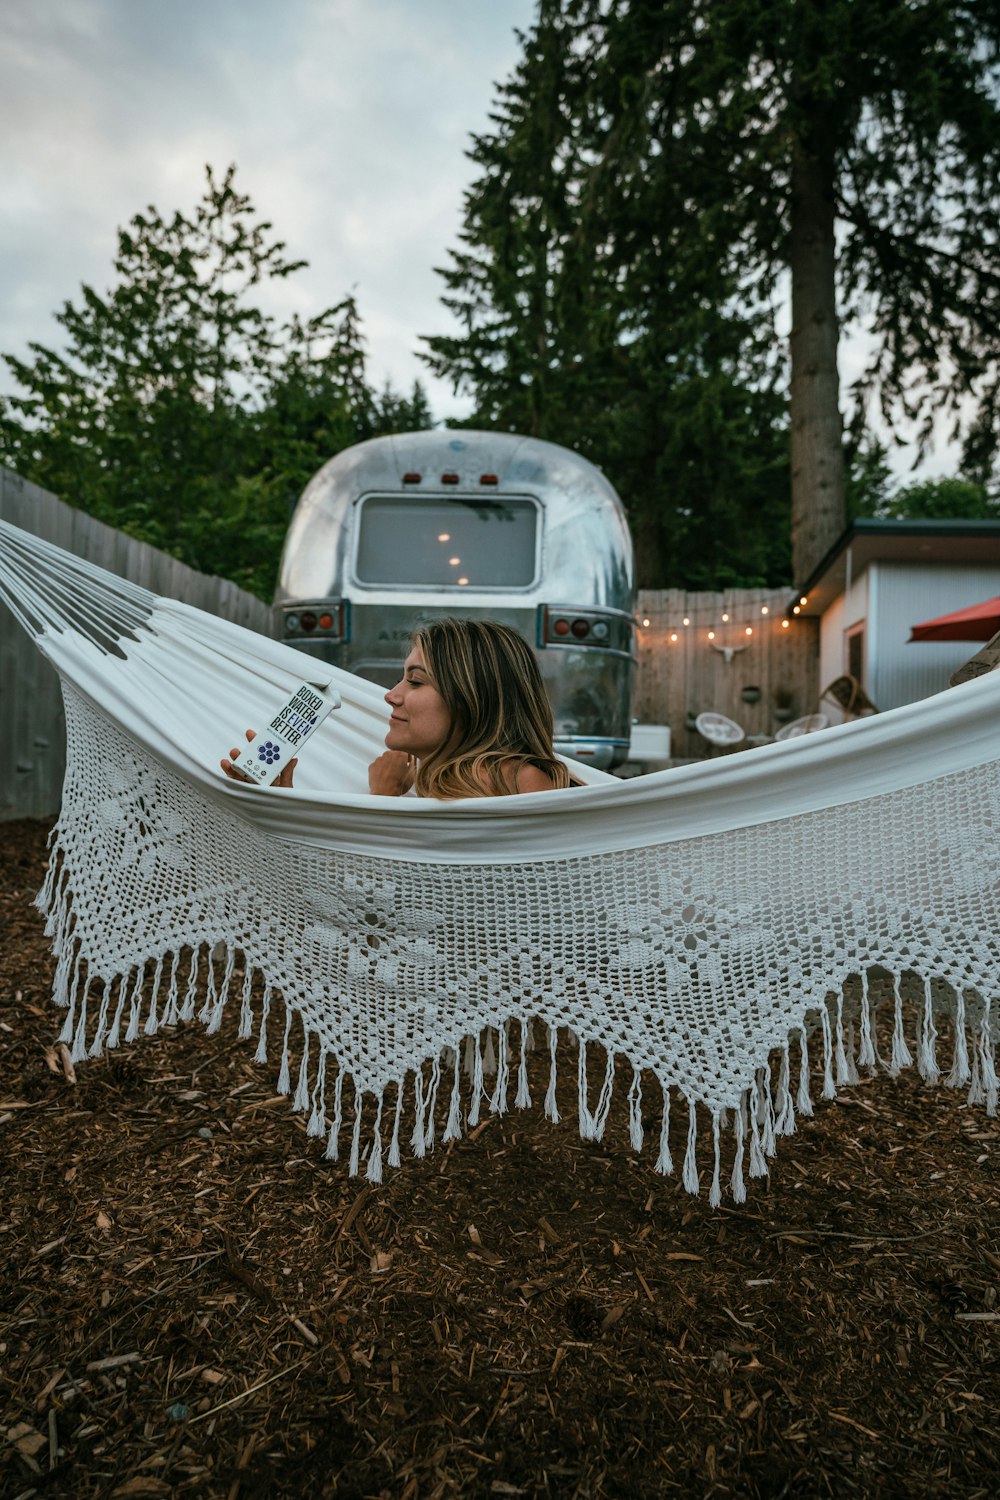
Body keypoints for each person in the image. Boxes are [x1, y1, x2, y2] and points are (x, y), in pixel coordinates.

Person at [221, 618, 575, 799]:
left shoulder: (520, 780)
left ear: (472, 697)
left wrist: (384, 799)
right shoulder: (436, 785)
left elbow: (382, 900)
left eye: (416, 681)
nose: (391, 696)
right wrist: (278, 800)